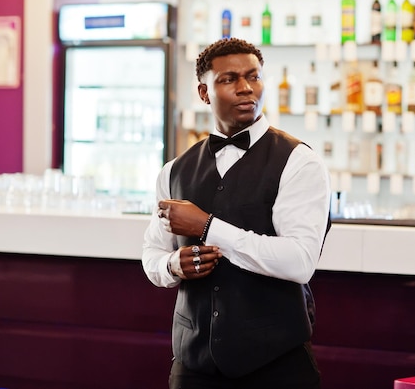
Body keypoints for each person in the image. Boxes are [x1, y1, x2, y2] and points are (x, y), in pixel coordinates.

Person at [142, 37, 331, 389]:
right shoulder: (174, 171)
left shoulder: (299, 162)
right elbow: (151, 253)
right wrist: (173, 265)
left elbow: (300, 261)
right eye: (229, 79)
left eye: (254, 77)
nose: (246, 89)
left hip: (275, 364)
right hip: (193, 364)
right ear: (204, 92)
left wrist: (208, 227)